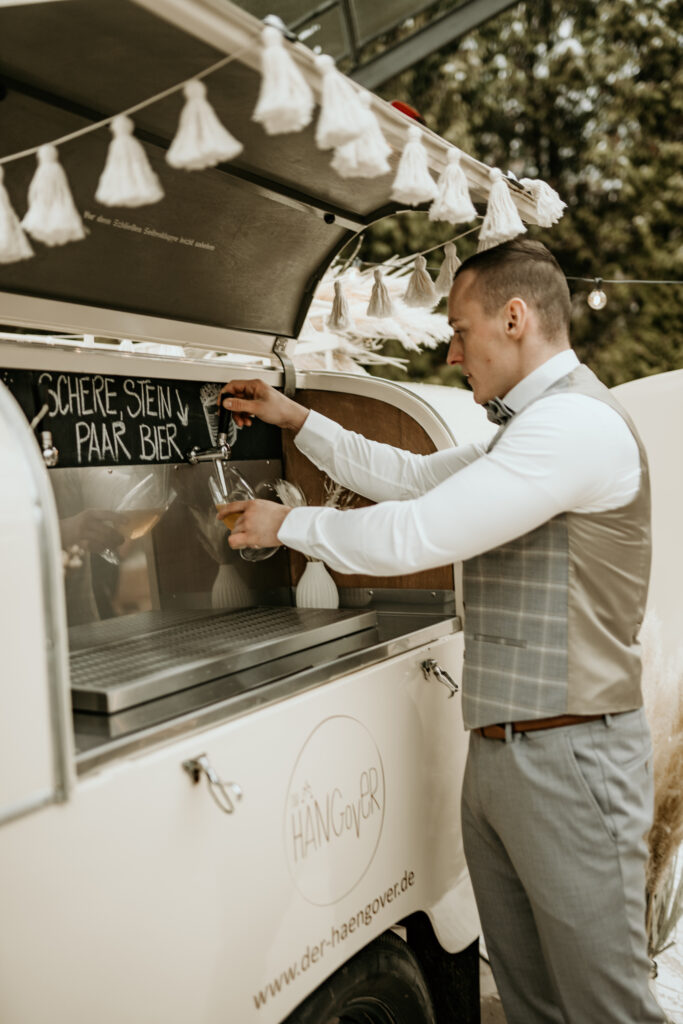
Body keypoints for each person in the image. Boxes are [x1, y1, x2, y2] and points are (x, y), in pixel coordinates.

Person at [218, 238, 665, 1024]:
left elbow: (418, 532)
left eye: (460, 331)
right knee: (531, 1002)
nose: (452, 352)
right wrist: (297, 419)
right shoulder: (530, 427)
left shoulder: (573, 426)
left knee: (604, 1006)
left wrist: (287, 524)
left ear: (515, 318)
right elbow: (411, 478)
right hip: (502, 751)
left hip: (572, 754)